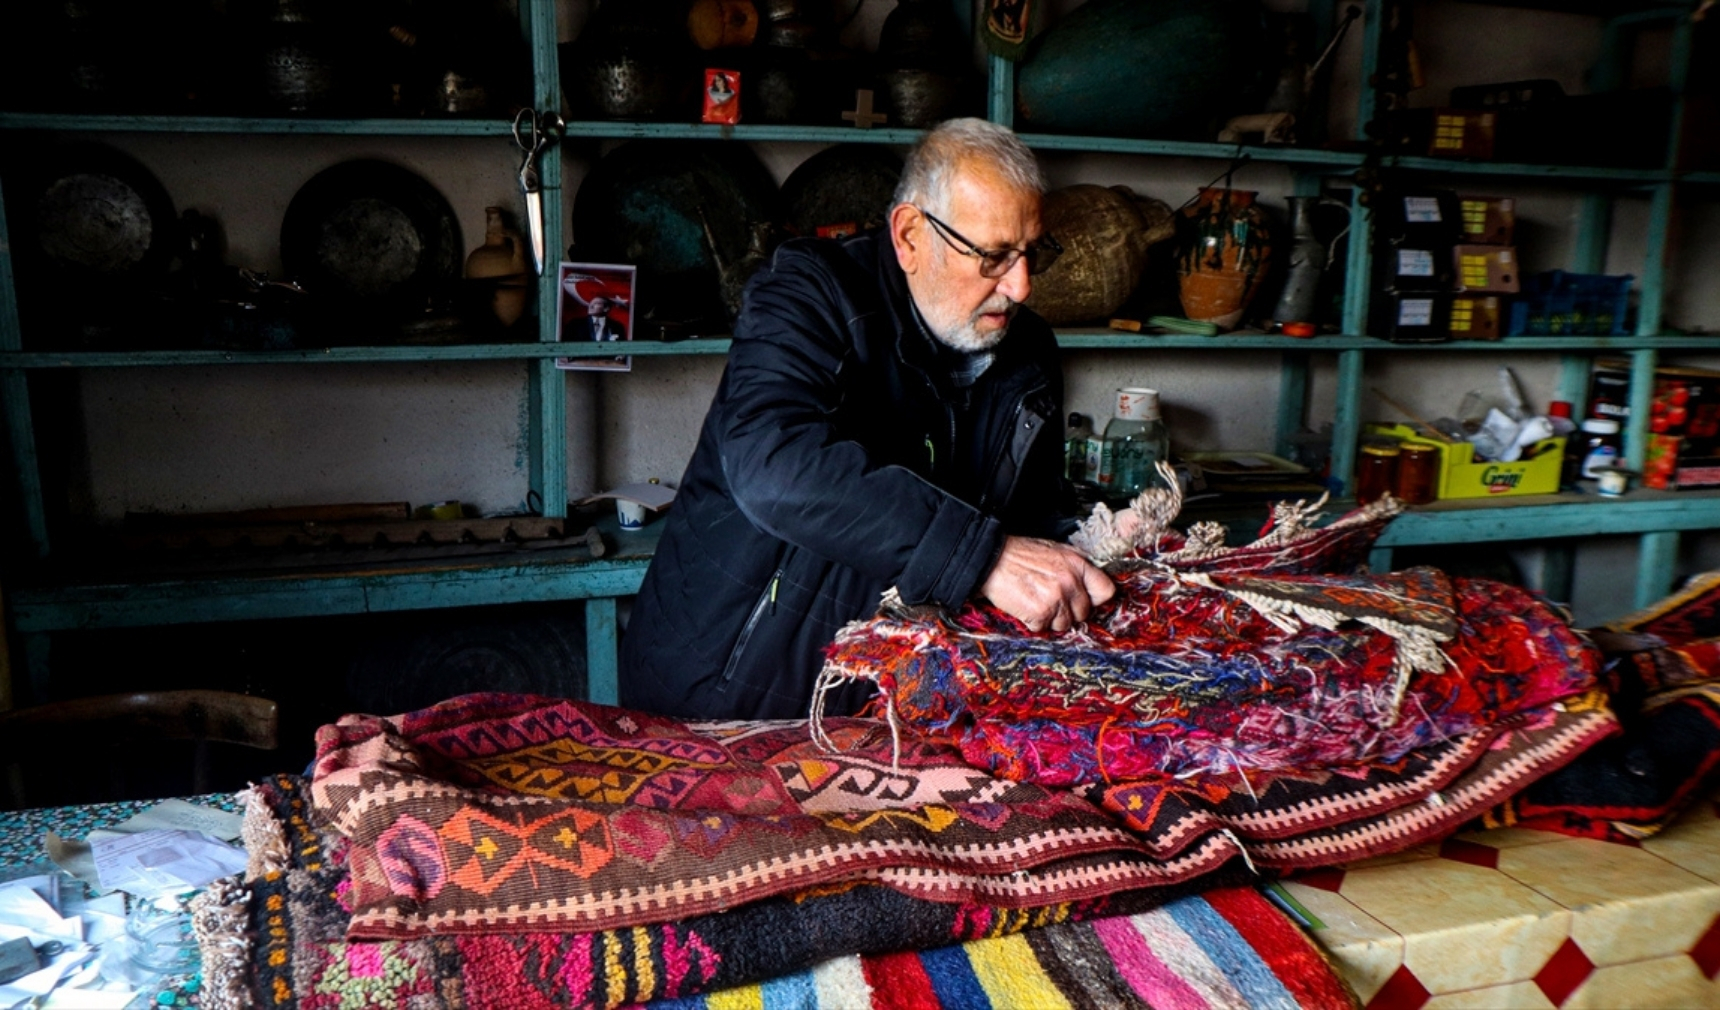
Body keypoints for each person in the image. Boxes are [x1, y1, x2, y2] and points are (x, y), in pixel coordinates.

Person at [620, 118, 1113, 721]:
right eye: (993, 256)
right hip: (722, 689)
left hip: (890, 705)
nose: (1021, 285)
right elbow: (772, 463)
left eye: (1033, 252)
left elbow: (1030, 521)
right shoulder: (809, 291)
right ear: (909, 235)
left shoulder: (1028, 352)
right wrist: (982, 556)